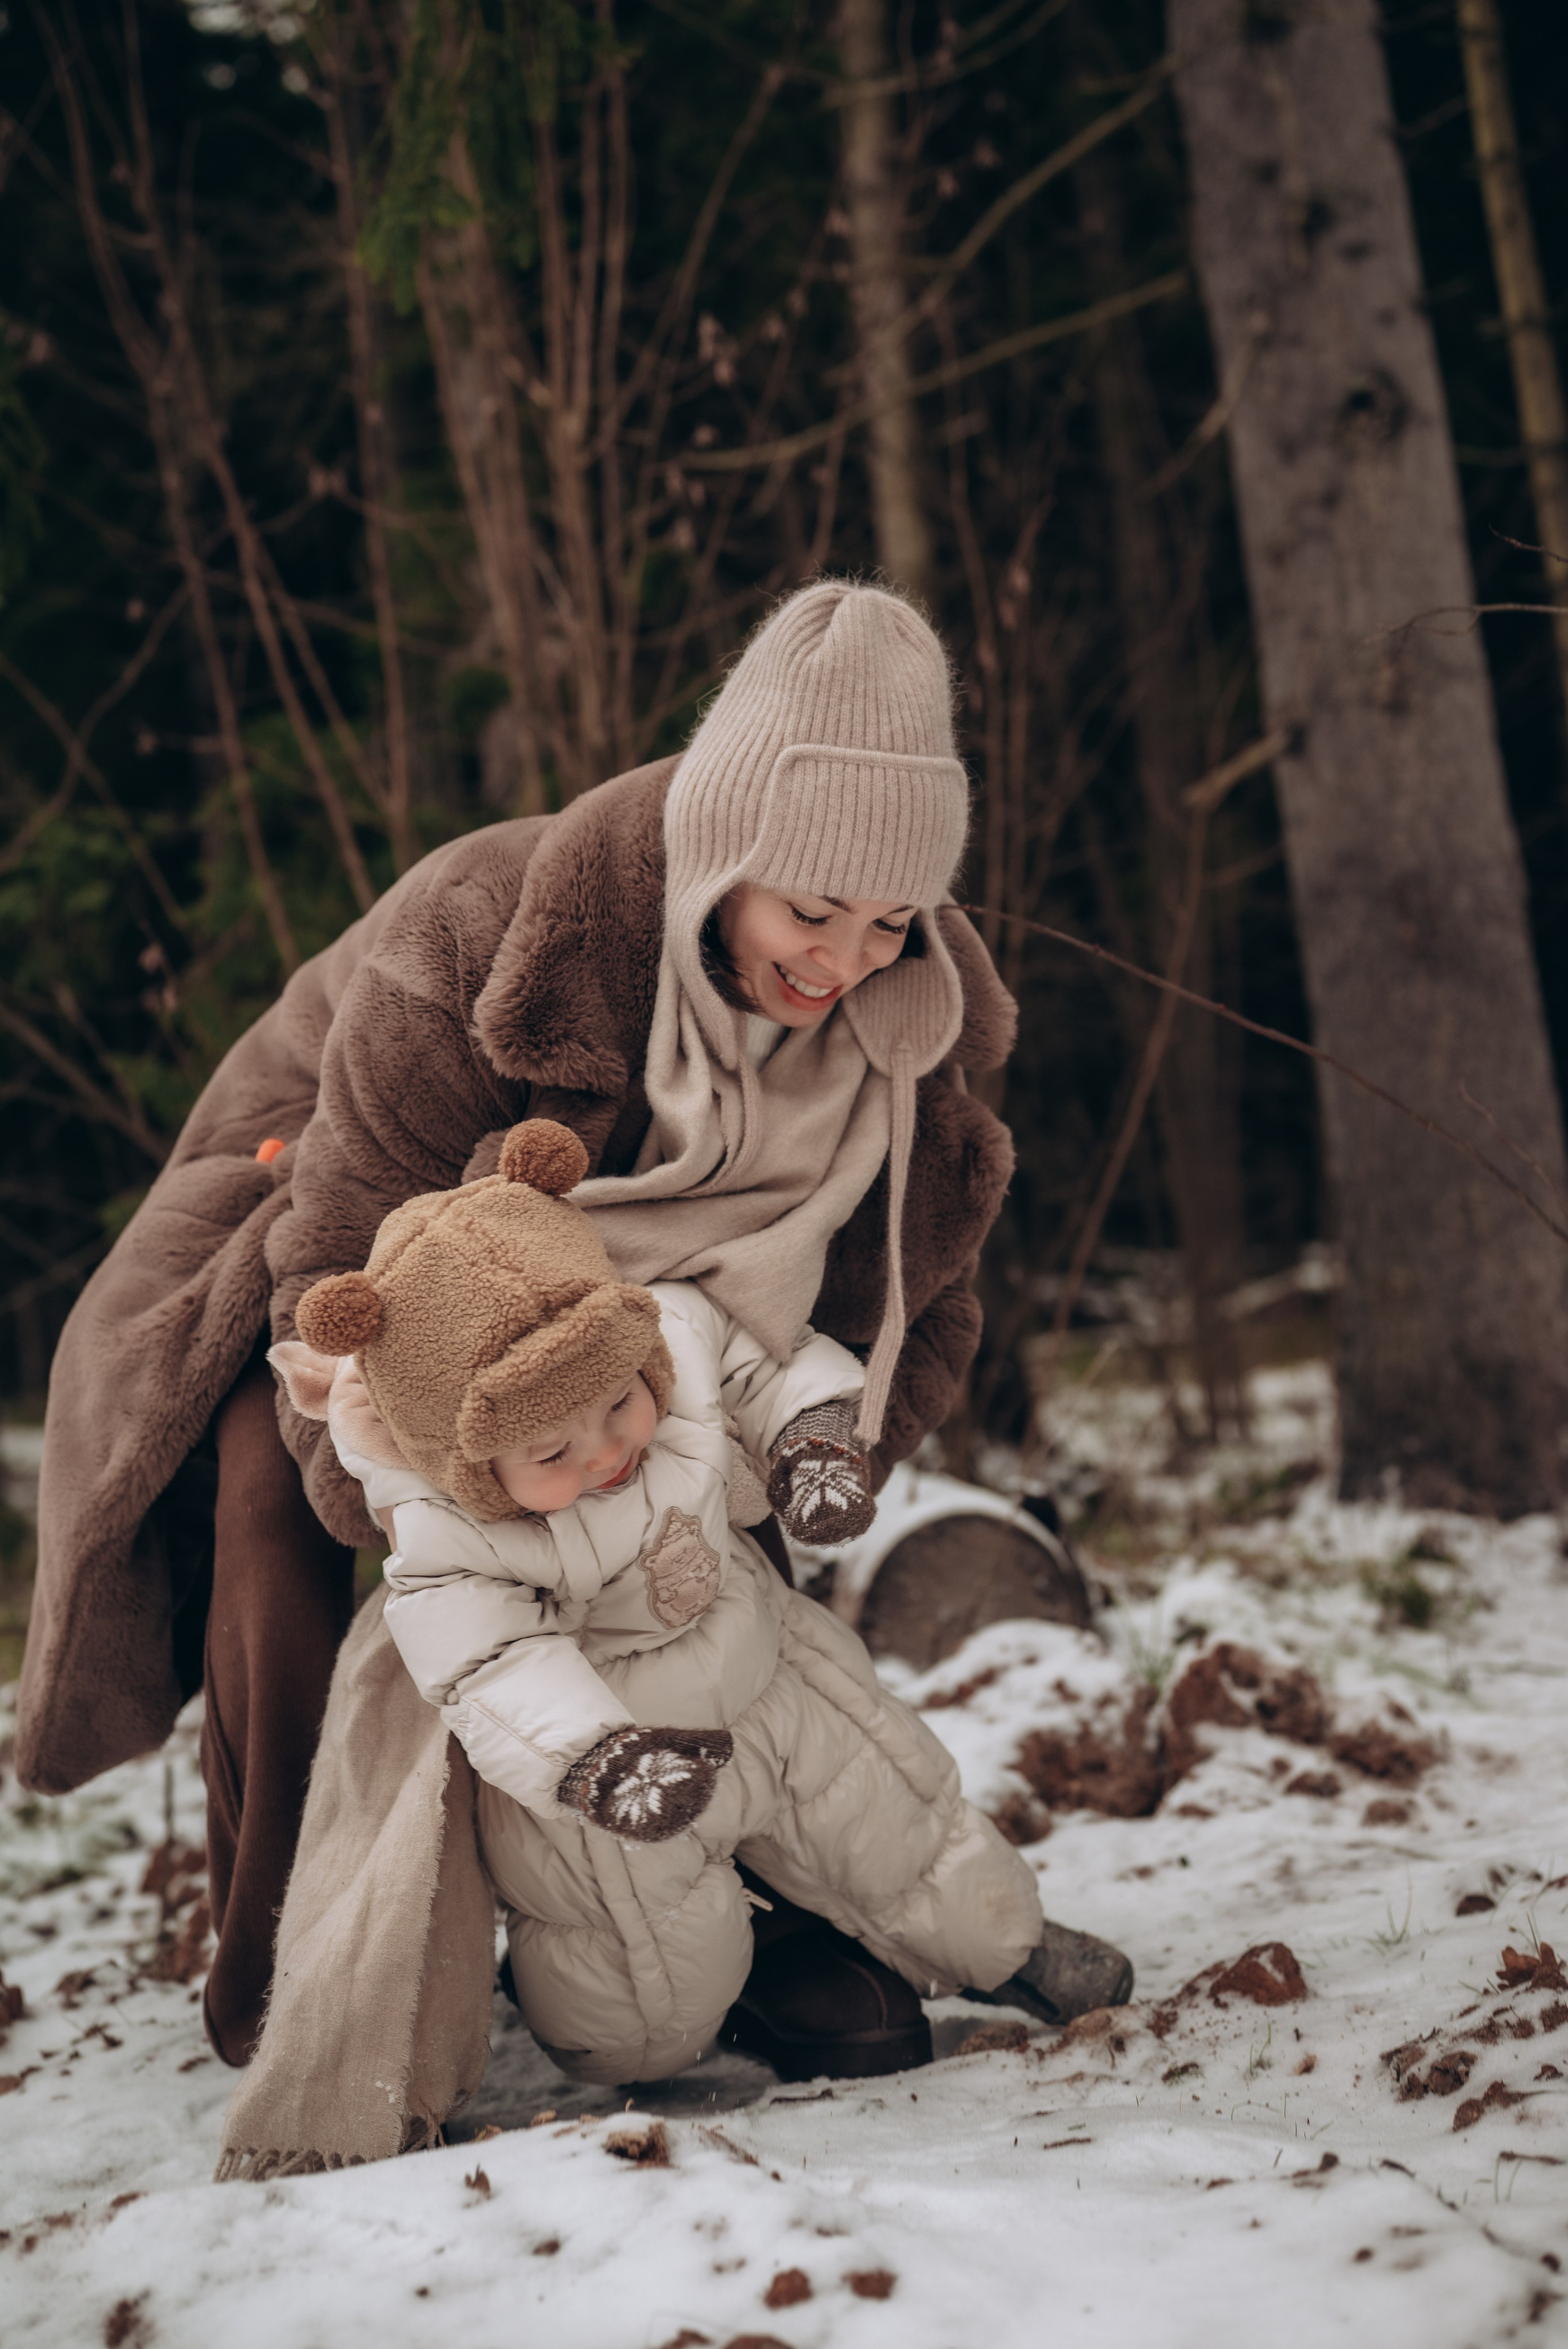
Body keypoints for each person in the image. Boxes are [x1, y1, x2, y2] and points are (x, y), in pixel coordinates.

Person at [18, 576, 1131, 2079]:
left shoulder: (909, 1020)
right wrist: (474, 1516)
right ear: (718, 854)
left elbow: (907, 1313)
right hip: (330, 1231)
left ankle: (758, 1891)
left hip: (622, 1302)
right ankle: (300, 1932)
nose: (842, 961)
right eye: (809, 912)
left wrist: (773, 1463)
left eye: (886, 923)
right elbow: (333, 1262)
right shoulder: (482, 933)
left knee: (686, 1448)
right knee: (273, 1494)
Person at [270, 1115, 1054, 2084]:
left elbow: (760, 1366)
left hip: (765, 1670)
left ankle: (1013, 1950)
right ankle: (643, 2011)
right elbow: (486, 1664)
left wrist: (811, 1444)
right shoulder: (446, 1534)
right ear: (463, 1463)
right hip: (626, 1758)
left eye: (618, 1405)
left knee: (901, 1828)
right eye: (551, 1453)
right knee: (639, 2015)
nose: (605, 1452)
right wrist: (594, 1759)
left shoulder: (666, 1331)